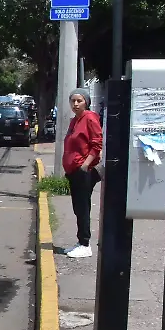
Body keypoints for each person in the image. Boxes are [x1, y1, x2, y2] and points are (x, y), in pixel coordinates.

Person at [63, 88, 103, 258]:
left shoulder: (90, 118)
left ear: (86, 102)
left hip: (83, 171)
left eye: (79, 100)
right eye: (73, 101)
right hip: (73, 171)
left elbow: (97, 144)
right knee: (78, 208)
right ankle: (80, 242)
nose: (76, 104)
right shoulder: (74, 121)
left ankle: (85, 244)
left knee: (83, 207)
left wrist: (85, 165)